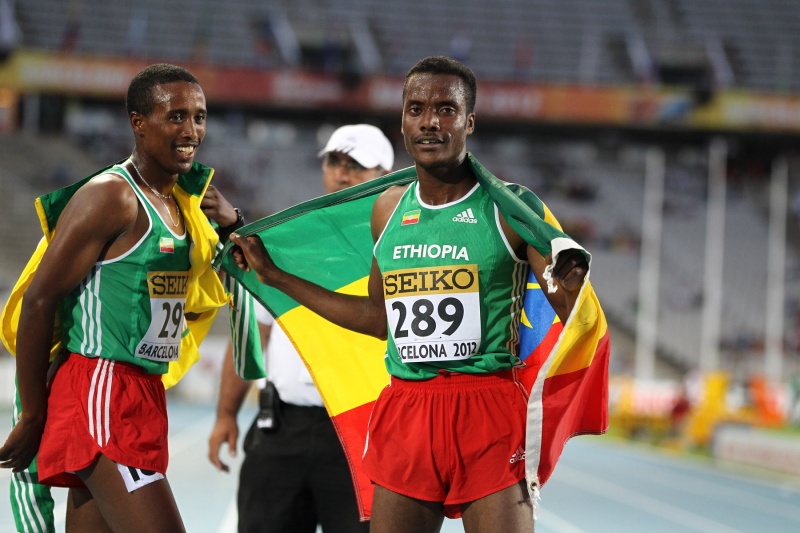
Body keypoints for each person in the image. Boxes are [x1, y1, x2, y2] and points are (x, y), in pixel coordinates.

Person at [228, 56, 589, 532]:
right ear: (402, 121)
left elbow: (571, 308)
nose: (429, 121)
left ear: (469, 121)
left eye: (446, 109)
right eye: (416, 109)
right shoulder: (387, 210)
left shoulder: (508, 207)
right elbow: (378, 318)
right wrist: (275, 277)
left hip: (487, 409)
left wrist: (571, 285)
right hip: (407, 407)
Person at [0, 63, 242, 531]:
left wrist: (234, 224)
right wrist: (32, 414)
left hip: (143, 391)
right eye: (176, 116)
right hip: (101, 390)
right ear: (138, 123)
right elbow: (38, 299)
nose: (191, 131)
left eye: (199, 117)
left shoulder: (184, 206)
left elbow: (224, 283)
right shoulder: (113, 197)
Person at [208, 124, 394, 533]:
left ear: (385, 175)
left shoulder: (400, 248)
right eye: (334, 162)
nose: (341, 173)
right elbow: (253, 336)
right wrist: (226, 415)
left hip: (363, 432)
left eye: (355, 165)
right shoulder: (292, 246)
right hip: (280, 430)